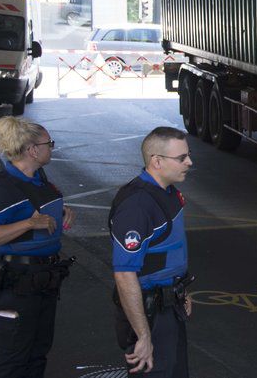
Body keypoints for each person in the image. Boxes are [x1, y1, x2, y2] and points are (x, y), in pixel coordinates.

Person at [0, 116, 75, 378]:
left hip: (43, 285)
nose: (52, 147)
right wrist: (28, 224)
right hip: (17, 287)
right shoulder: (4, 188)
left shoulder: (38, 177)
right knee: (12, 362)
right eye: (48, 143)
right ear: (32, 150)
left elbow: (40, 207)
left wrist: (61, 211)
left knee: (36, 355)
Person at [110, 127, 193, 376]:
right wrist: (144, 336)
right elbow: (124, 275)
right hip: (150, 314)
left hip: (168, 306)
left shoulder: (167, 192)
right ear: (157, 161)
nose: (190, 162)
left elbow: (169, 251)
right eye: (182, 158)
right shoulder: (137, 206)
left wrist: (182, 289)